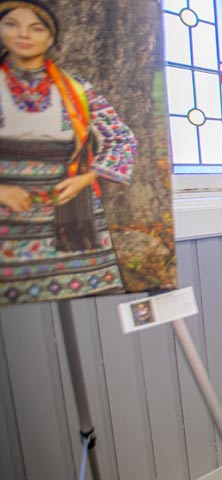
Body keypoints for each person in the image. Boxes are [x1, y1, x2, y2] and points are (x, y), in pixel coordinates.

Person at [0, 0, 137, 305]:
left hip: (70, 213)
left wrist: (86, 179)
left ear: (50, 38)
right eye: (12, 24)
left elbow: (121, 138)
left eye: (36, 27)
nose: (24, 34)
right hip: (9, 219)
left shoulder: (75, 89)